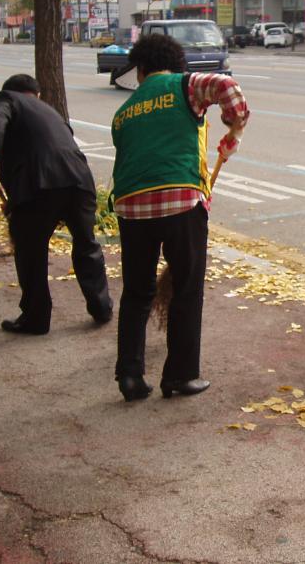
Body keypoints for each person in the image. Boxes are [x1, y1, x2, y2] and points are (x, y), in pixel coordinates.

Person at [111, 33, 249, 402]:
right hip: (179, 201)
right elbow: (227, 87)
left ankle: (129, 375)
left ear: (140, 70)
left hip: (130, 206)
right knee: (186, 289)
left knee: (137, 293)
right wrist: (234, 126)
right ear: (173, 62)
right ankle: (180, 376)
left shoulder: (124, 112)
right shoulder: (183, 85)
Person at [0, 74, 113, 335]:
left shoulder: (8, 100)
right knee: (86, 244)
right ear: (36, 94)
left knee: (30, 250)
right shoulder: (49, 111)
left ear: (13, 91)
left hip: (40, 184)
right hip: (80, 180)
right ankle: (101, 306)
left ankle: (36, 318)